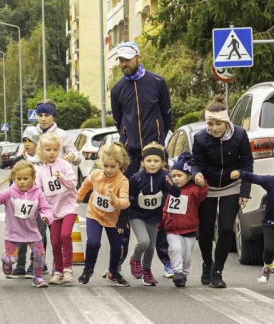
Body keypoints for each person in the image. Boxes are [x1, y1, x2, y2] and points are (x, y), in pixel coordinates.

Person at [110, 42, 173, 278]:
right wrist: (127, 141)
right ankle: (118, 264)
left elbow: (167, 115)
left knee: (162, 205)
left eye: (127, 59)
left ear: (139, 57)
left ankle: (166, 261)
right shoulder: (117, 89)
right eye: (120, 60)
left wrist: (157, 143)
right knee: (126, 207)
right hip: (130, 154)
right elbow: (119, 121)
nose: (123, 64)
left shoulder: (157, 82)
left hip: (154, 153)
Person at [191, 95, 253, 288]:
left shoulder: (240, 135)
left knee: (226, 229)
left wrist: (244, 191)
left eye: (218, 123)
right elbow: (196, 164)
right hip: (207, 187)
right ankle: (207, 263)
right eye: (210, 124)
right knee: (205, 230)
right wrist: (197, 176)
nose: (214, 128)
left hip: (231, 186)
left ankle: (217, 271)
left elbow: (247, 163)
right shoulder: (200, 138)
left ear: (226, 122)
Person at [0, 160, 54, 288]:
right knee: (10, 259)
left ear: (33, 178)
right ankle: (6, 262)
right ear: (14, 178)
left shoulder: (37, 193)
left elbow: (45, 208)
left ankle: (38, 277)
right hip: (14, 232)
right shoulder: (10, 192)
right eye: (19, 179)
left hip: (32, 231)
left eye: (26, 178)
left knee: (40, 255)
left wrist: (46, 217)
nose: (22, 182)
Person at [77, 142, 131, 286]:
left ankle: (113, 272)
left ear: (120, 164)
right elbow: (86, 185)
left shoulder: (122, 181)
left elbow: (125, 202)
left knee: (116, 247)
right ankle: (88, 269)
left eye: (113, 166)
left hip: (113, 219)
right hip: (94, 214)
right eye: (105, 165)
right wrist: (78, 198)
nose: (108, 169)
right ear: (101, 163)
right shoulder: (96, 174)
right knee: (93, 243)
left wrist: (115, 201)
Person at [127, 142, 180, 286]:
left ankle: (147, 271)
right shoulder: (136, 178)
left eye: (156, 161)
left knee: (151, 246)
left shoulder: (165, 177)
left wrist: (172, 185)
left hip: (153, 215)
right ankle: (135, 259)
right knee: (144, 241)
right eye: (148, 161)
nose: (152, 164)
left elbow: (176, 194)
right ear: (143, 162)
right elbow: (127, 197)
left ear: (162, 162)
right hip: (137, 214)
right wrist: (124, 217)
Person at [34, 133, 79, 284]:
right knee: (55, 241)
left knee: (65, 235)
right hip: (52, 210)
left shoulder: (64, 165)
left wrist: (62, 179)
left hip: (68, 206)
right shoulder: (40, 172)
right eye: (48, 149)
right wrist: (42, 210)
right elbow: (39, 192)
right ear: (42, 151)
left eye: (55, 149)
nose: (52, 152)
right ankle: (58, 271)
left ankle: (67, 269)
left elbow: (73, 183)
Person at [163, 152, 208, 287]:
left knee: (187, 255)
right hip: (172, 229)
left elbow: (202, 194)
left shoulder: (193, 190)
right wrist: (162, 222)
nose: (176, 179)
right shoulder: (171, 190)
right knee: (175, 249)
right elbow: (166, 208)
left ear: (189, 176)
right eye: (174, 176)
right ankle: (177, 272)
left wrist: (201, 184)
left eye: (179, 176)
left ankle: (184, 274)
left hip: (189, 229)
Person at [7, 127, 47, 279]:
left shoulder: (44, 160)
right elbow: (12, 182)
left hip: (40, 202)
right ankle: (20, 265)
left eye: (30, 140)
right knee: (21, 233)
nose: (27, 144)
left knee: (38, 235)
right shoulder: (19, 160)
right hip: (22, 203)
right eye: (24, 141)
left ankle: (35, 265)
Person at [230, 170, 274, 284]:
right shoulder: (270, 181)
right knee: (269, 249)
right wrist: (239, 173)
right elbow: (253, 177)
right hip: (270, 223)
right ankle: (267, 268)